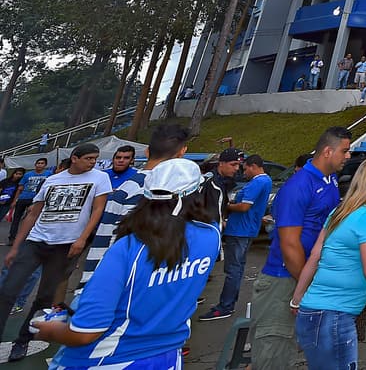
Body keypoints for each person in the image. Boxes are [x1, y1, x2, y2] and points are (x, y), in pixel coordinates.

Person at [31, 159, 220, 370]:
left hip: (107, 358)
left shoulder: (128, 247)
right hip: (167, 356)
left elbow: (86, 332)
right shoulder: (211, 236)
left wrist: (47, 331)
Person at [0, 143, 112, 361]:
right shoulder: (53, 180)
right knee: (8, 290)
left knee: (45, 296)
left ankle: (23, 340)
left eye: (95, 159)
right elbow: (32, 214)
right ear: (75, 158)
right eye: (88, 158)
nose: (92, 162)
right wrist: (15, 247)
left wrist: (81, 239)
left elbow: (97, 210)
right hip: (36, 241)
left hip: (65, 245)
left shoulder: (99, 178)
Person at [251, 127, 350, 370]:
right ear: (328, 151)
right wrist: (307, 286)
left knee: (289, 352)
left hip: (303, 277)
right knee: (273, 355)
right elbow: (289, 243)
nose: (348, 156)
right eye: (345, 151)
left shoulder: (330, 181)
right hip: (283, 281)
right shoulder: (298, 185)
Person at [291, 156, 366, 370]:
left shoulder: (339, 212)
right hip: (335, 317)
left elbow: (315, 256)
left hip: (311, 311)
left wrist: (297, 299)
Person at [80, 124, 192, 290]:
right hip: (157, 283)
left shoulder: (125, 190)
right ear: (182, 151)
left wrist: (87, 287)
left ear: (146, 151)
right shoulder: (185, 191)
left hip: (116, 282)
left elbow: (105, 240)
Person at [200, 154, 273, 320]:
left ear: (253, 166)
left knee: (233, 269)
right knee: (237, 268)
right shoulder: (265, 182)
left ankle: (225, 306)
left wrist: (224, 206)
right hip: (245, 229)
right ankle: (229, 302)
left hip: (240, 230)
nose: (241, 171)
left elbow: (245, 206)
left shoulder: (258, 182)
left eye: (244, 168)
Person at [7, 157, 50, 244]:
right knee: (16, 218)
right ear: (35, 165)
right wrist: (15, 200)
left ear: (45, 165)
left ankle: (27, 238)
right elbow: (20, 188)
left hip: (36, 199)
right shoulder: (27, 175)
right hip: (23, 197)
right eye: (38, 163)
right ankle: (12, 238)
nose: (40, 165)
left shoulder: (49, 174)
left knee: (30, 219)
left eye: (42, 163)